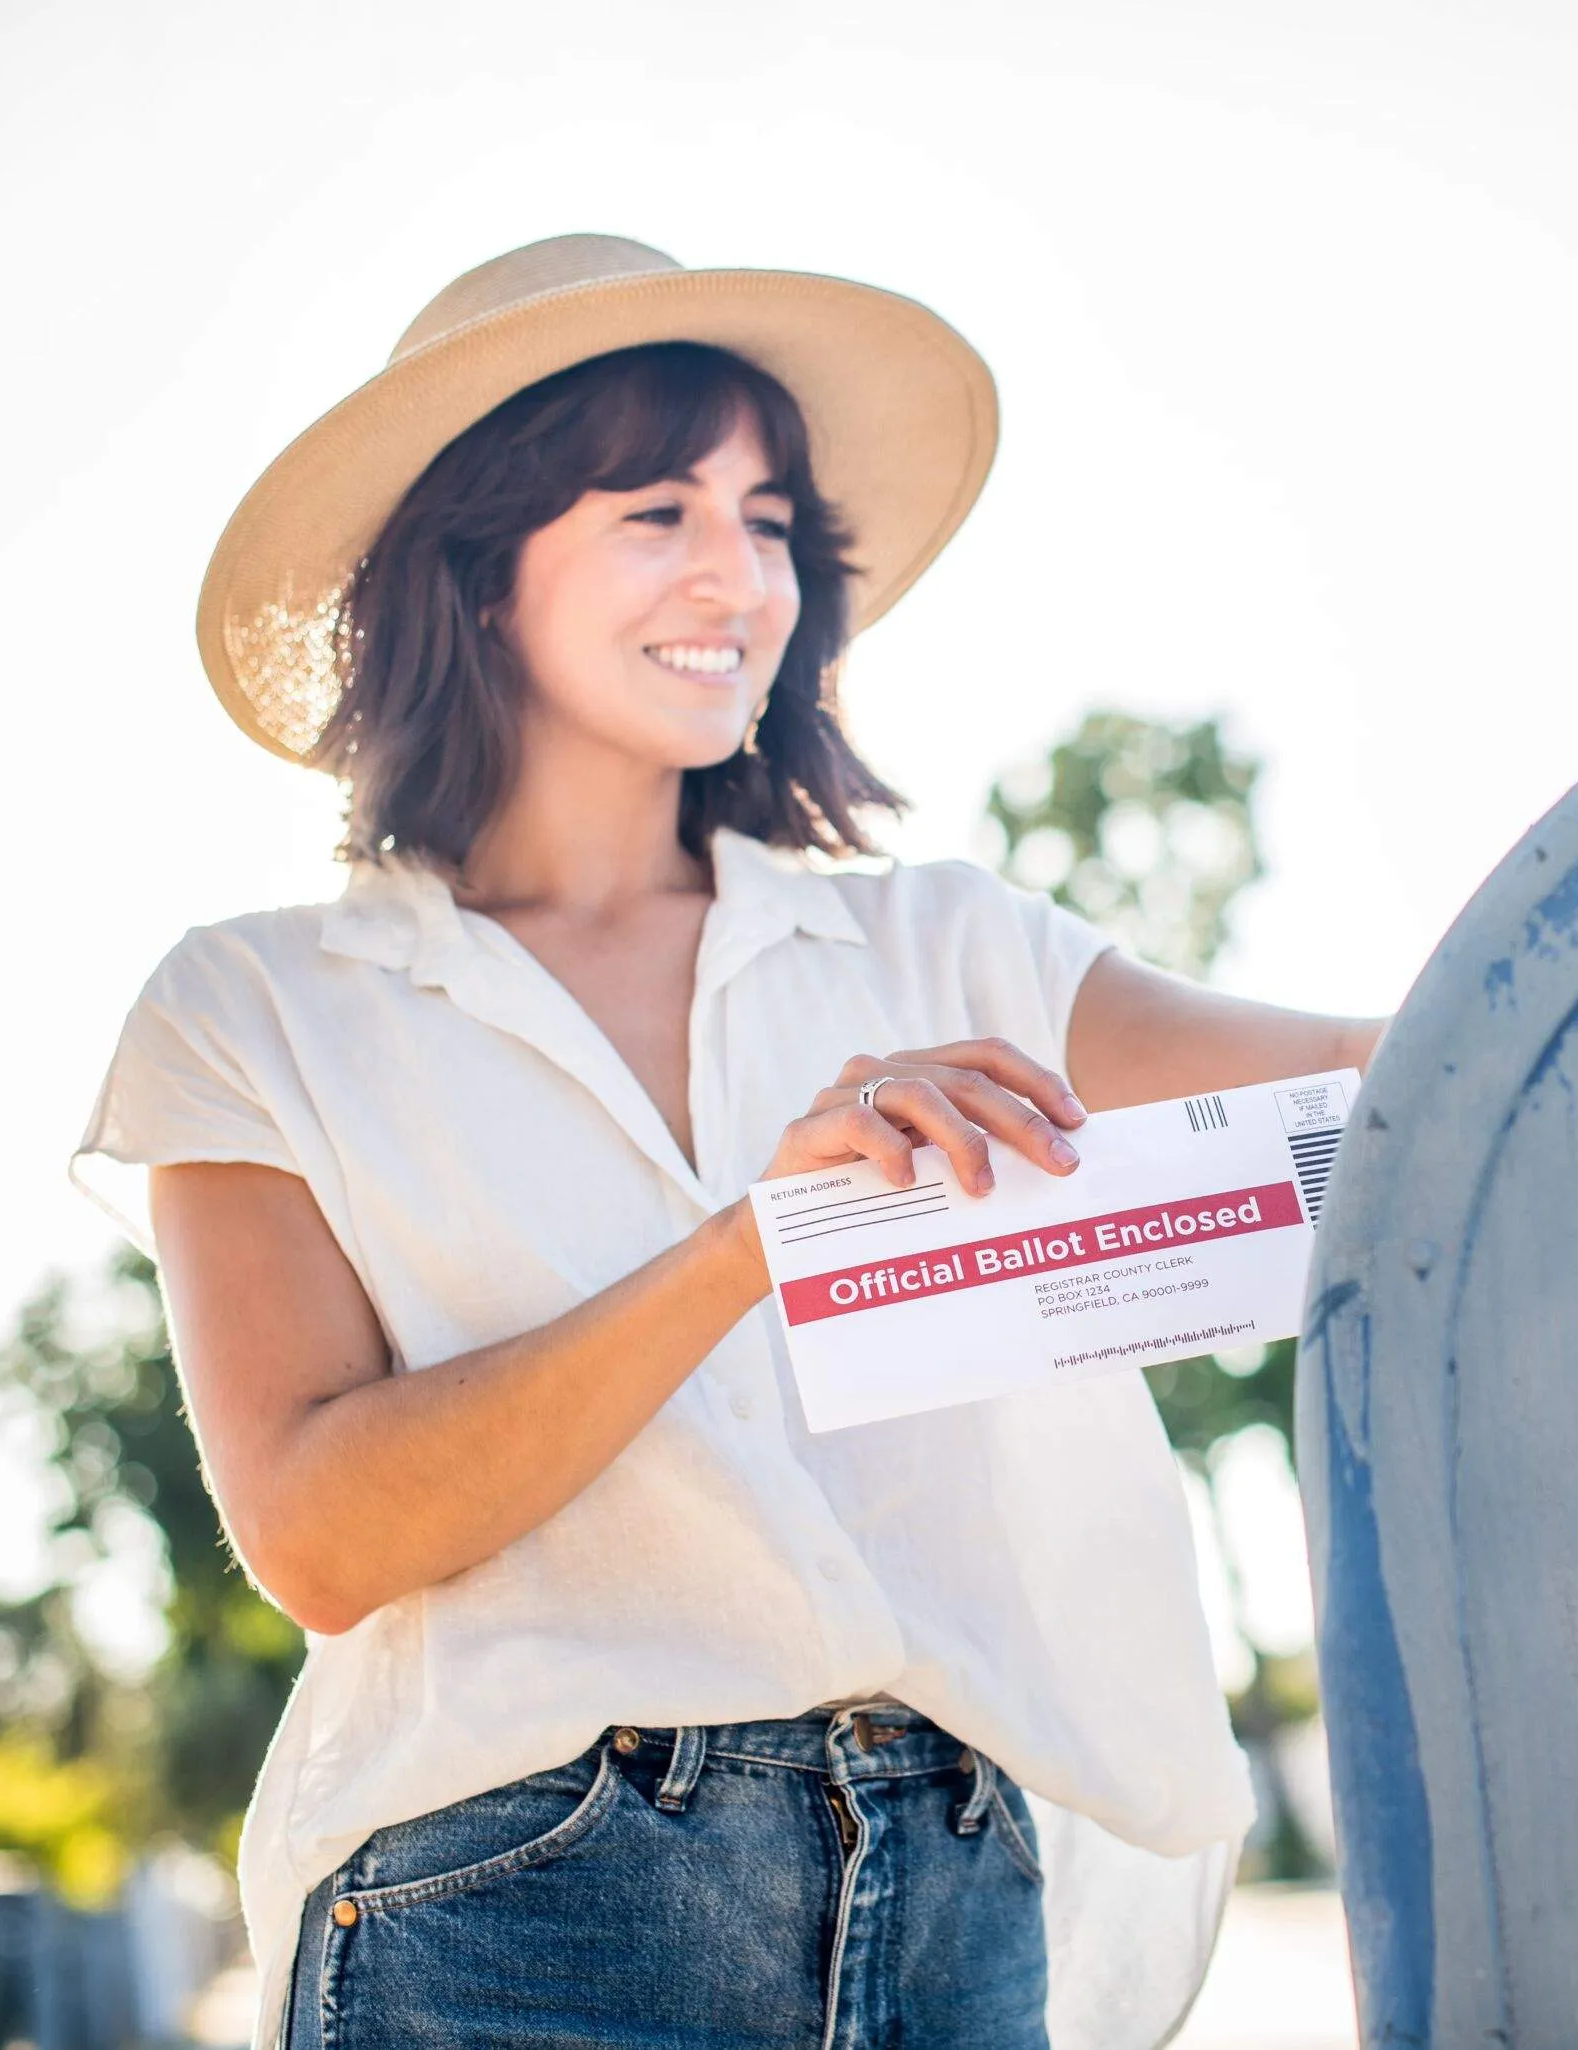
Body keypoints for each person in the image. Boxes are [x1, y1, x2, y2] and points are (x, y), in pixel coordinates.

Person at [74, 234, 1385, 2050]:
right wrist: (748, 1243)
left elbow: (1388, 1082)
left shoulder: (950, 946)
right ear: (475, 568)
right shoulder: (259, 1013)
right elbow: (319, 1531)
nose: (740, 576)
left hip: (951, 1896)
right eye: (659, 511)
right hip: (515, 1917)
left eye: (770, 522)